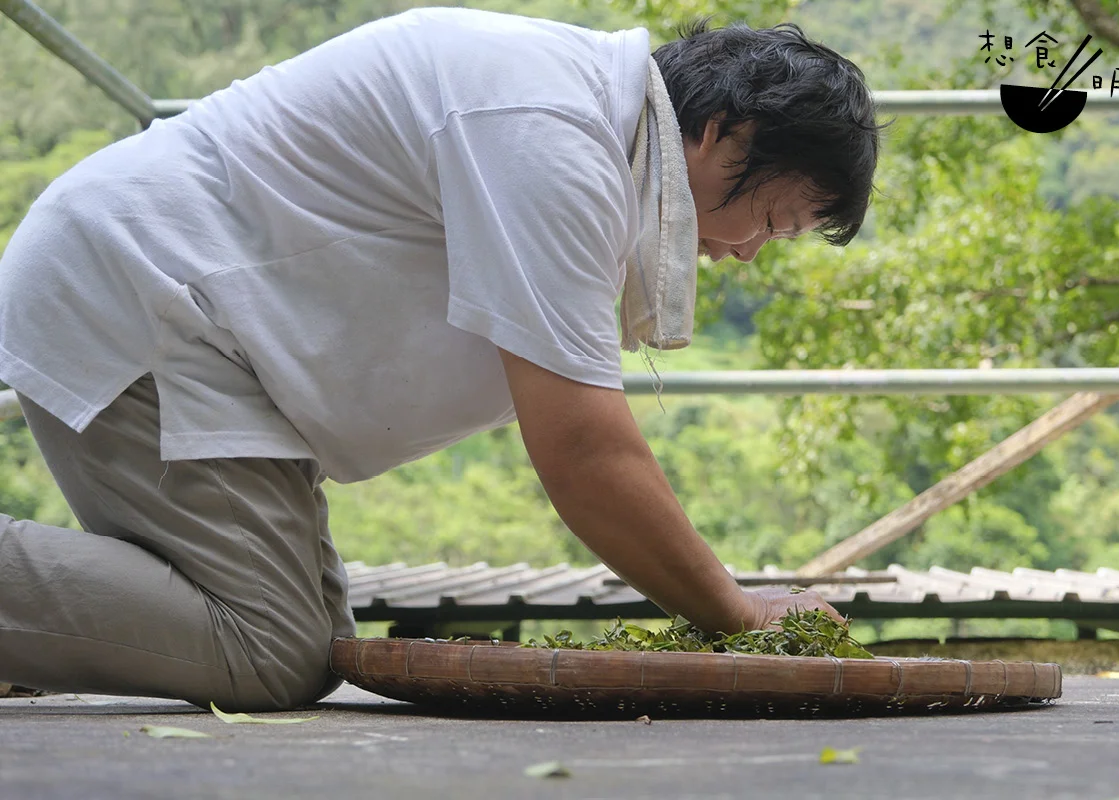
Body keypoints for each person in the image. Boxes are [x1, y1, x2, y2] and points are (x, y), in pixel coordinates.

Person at [0, 8, 880, 711]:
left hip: (217, 342)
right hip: (139, 293)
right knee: (268, 653)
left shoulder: (579, 119)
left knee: (309, 645)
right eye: (774, 220)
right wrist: (738, 613)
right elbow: (582, 451)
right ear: (724, 132)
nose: (750, 252)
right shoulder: (552, 134)